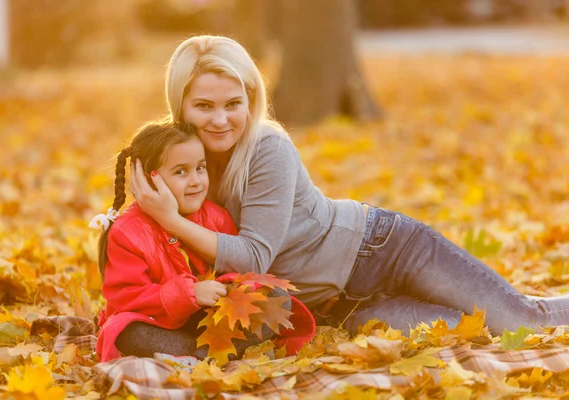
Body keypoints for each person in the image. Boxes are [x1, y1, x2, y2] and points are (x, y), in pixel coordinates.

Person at [130, 35, 569, 338]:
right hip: (341, 308)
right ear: (180, 107)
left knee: (520, 321)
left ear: (251, 100)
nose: (221, 120)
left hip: (383, 250)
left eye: (233, 104)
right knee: (471, 327)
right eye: (204, 106)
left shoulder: (267, 148)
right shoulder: (175, 161)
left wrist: (169, 219)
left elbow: (253, 256)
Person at [91, 120, 314, 363]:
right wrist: (189, 293)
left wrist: (224, 289)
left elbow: (237, 269)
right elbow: (128, 297)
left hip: (211, 322)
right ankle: (199, 354)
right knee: (124, 331)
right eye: (181, 172)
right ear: (147, 180)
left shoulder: (214, 216)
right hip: (159, 323)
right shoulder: (127, 233)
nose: (196, 180)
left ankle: (204, 354)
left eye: (200, 168)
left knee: (276, 298)